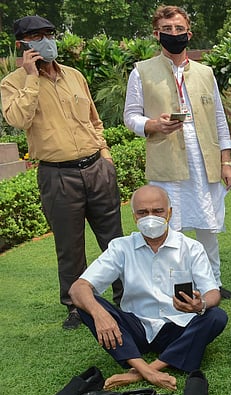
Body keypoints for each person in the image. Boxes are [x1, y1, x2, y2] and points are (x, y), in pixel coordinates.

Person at [1, 15, 124, 330]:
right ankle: (76, 307)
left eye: (49, 34)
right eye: (36, 36)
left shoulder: (74, 76)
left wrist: (106, 156)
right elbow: (18, 119)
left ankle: (128, 296)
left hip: (97, 167)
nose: (45, 40)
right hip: (57, 175)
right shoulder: (12, 83)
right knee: (69, 246)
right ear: (23, 44)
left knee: (115, 240)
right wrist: (31, 77)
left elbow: (94, 122)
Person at [124, 5, 231, 298]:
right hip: (167, 159)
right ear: (156, 33)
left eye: (179, 29)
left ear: (189, 32)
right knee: (168, 225)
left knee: (208, 225)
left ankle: (213, 283)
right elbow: (130, 116)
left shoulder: (205, 72)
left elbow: (220, 121)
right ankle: (174, 284)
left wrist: (226, 161)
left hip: (203, 160)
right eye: (168, 29)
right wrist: (152, 124)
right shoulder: (141, 71)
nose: (174, 34)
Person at [69, 185, 227, 391]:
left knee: (216, 316)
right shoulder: (121, 247)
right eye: (143, 212)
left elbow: (213, 292)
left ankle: (141, 371)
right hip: (136, 327)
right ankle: (148, 370)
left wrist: (201, 304)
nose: (150, 217)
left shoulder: (190, 247)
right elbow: (78, 288)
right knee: (87, 304)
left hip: (177, 326)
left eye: (157, 211)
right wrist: (99, 314)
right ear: (134, 217)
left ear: (169, 213)